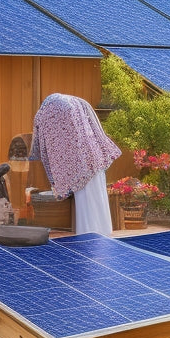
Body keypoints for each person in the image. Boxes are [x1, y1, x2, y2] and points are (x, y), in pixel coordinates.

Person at [29, 93, 121, 235]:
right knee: (93, 198)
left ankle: (90, 233)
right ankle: (100, 231)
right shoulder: (80, 126)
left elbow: (38, 146)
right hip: (92, 161)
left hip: (83, 164)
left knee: (86, 201)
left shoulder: (53, 113)